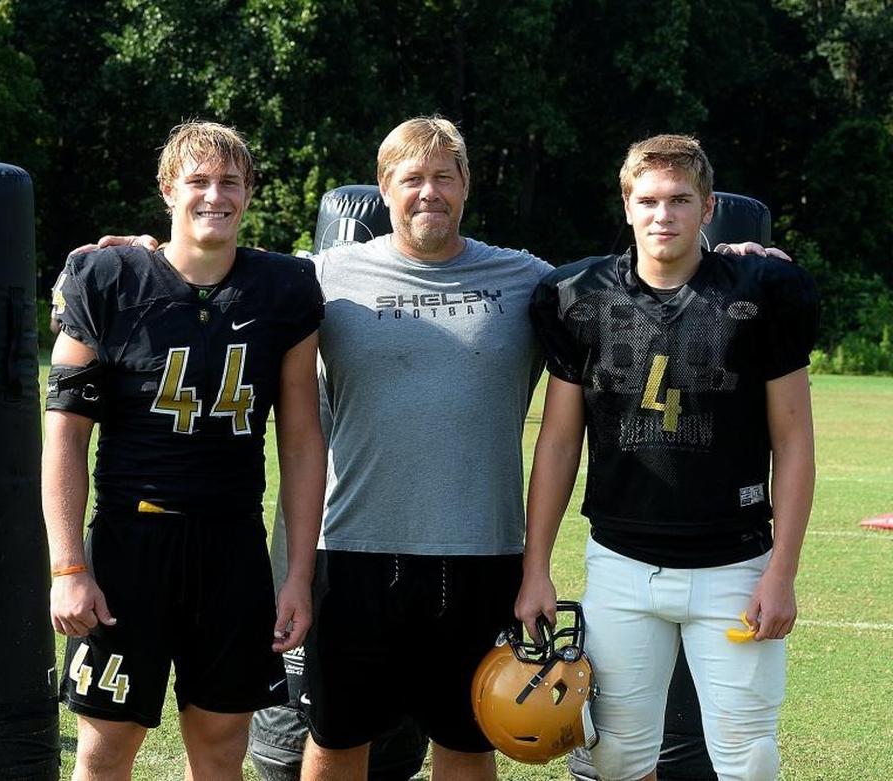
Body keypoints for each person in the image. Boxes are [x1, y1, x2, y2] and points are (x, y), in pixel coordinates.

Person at [97, 118, 784, 781]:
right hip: (353, 551)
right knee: (336, 739)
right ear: (384, 188)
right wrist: (147, 252)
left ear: (466, 186)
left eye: (444, 177)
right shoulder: (319, 275)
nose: (429, 192)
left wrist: (729, 261)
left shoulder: (529, 279)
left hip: (482, 552)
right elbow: (216, 262)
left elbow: (633, 278)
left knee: (467, 739)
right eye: (412, 178)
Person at [517, 134, 817, 781]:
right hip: (621, 562)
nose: (663, 214)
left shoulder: (764, 291)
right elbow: (559, 441)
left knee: (749, 759)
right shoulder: (580, 294)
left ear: (707, 208)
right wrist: (535, 566)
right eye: (649, 200)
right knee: (614, 758)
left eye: (680, 199)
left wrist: (782, 571)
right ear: (627, 205)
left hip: (734, 564)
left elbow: (794, 442)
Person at [43, 121, 326, 781]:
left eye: (230, 181)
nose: (214, 195)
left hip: (232, 547)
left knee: (223, 746)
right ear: (169, 189)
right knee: (104, 747)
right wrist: (68, 566)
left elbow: (302, 439)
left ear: (249, 192)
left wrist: (297, 574)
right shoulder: (106, 278)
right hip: (130, 544)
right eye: (198, 180)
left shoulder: (284, 288)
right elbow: (65, 431)